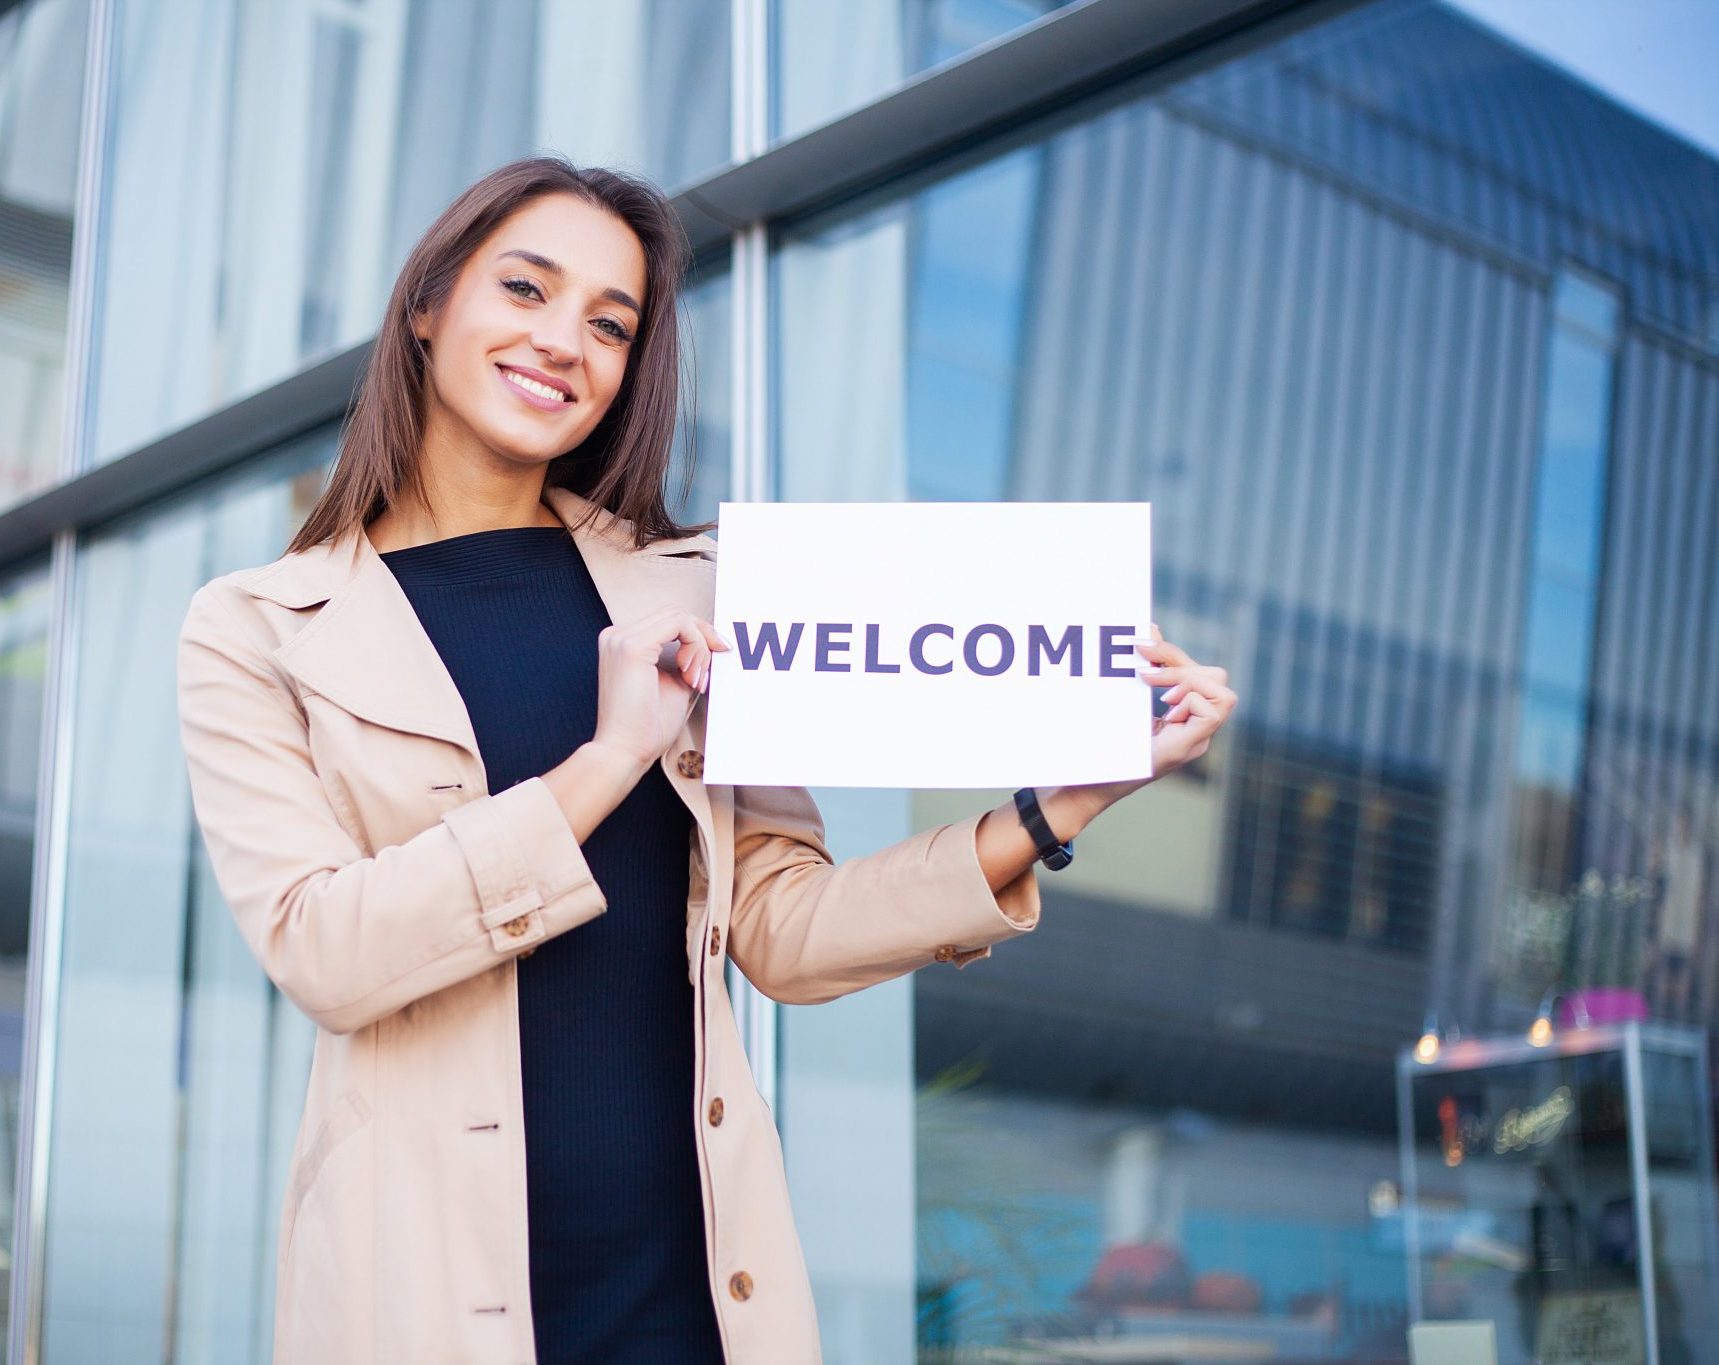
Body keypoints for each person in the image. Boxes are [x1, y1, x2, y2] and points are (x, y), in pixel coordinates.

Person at [173, 153, 1237, 1365]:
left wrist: (1053, 809)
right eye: (524, 290)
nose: (562, 342)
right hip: (419, 1291)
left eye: (608, 323)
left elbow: (778, 927)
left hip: (692, 1285)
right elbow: (328, 951)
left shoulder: (696, 590)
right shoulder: (259, 626)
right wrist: (612, 756)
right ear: (427, 306)